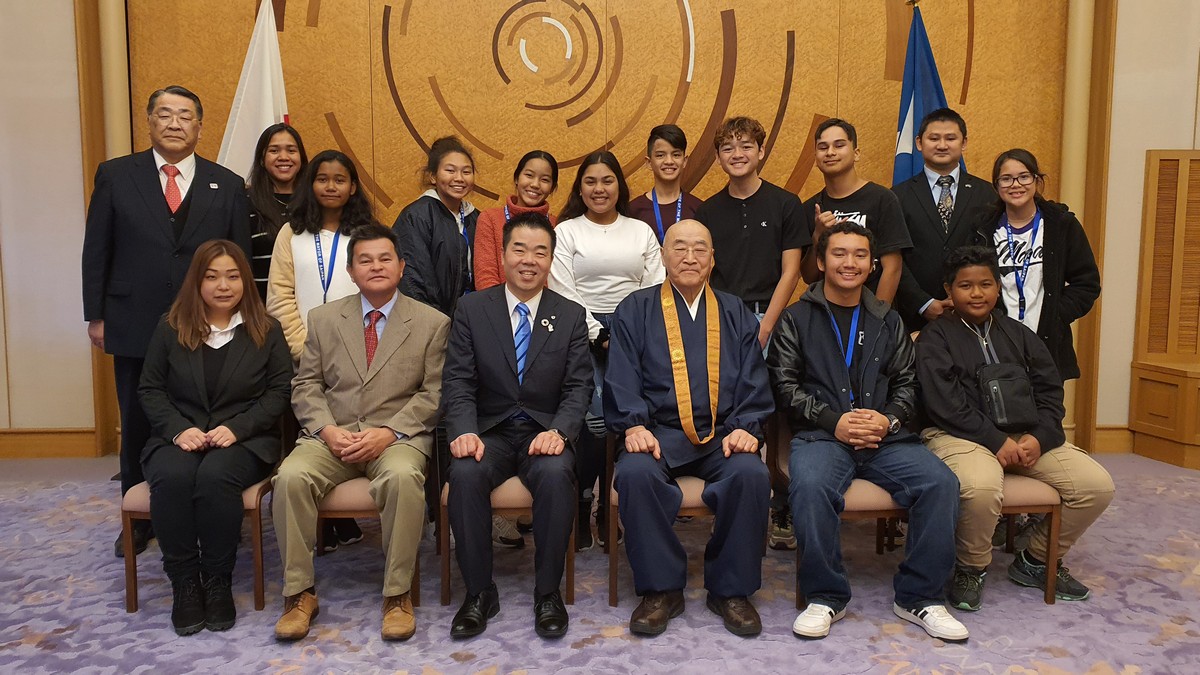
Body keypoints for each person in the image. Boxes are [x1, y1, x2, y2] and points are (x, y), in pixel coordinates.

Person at [768, 222, 967, 642]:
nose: (850, 263)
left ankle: (920, 597)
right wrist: (832, 420)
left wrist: (888, 419)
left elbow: (908, 384)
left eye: (860, 255)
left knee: (941, 483)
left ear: (872, 265)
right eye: (839, 253)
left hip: (885, 438)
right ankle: (825, 597)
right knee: (809, 486)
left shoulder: (887, 319)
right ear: (820, 262)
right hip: (822, 435)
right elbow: (785, 386)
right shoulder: (796, 319)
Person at [81, 85, 251, 558]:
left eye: (185, 117)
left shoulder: (227, 183)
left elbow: (236, 259)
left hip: (208, 322)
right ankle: (139, 518)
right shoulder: (117, 175)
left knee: (209, 412)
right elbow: (97, 249)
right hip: (134, 318)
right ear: (149, 121)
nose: (175, 124)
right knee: (137, 417)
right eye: (165, 115)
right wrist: (96, 315)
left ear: (200, 126)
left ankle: (214, 508)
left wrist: (238, 320)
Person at [271, 224, 449, 642]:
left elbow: (434, 392)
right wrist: (326, 430)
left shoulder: (431, 323)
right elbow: (307, 384)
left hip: (397, 439)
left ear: (402, 267)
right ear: (350, 271)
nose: (376, 267)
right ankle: (299, 594)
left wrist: (391, 431)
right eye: (365, 260)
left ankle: (397, 594)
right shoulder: (324, 318)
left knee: (404, 479)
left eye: (385, 258)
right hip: (332, 436)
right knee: (290, 478)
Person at [915, 246, 1115, 611]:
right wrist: (994, 440)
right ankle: (971, 567)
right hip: (956, 434)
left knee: (1095, 486)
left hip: (1026, 436)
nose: (976, 293)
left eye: (985, 284)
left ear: (997, 286)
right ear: (949, 289)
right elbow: (944, 405)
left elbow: (1050, 391)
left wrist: (1039, 437)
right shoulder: (935, 338)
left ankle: (1036, 559)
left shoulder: (1019, 333)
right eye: (965, 286)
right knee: (981, 486)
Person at [605, 220, 773, 637]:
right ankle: (661, 589)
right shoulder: (635, 309)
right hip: (659, 433)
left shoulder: (735, 312)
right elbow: (621, 375)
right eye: (679, 248)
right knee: (634, 473)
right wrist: (634, 425)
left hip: (723, 436)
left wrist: (748, 427)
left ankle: (730, 591)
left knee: (752, 474)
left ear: (713, 259)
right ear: (662, 256)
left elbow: (755, 379)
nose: (690, 257)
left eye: (701, 248)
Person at [442, 212, 593, 639]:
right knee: (466, 472)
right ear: (503, 254)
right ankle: (478, 592)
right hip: (488, 431)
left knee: (556, 471)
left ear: (551, 259)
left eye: (540, 251)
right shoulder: (472, 308)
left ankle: (547, 592)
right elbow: (458, 379)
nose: (529, 260)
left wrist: (560, 432)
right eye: (519, 249)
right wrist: (464, 430)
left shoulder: (569, 314)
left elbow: (579, 387)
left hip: (543, 432)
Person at [138, 240, 292, 636]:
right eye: (211, 277)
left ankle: (217, 579)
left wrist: (238, 427)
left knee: (214, 477)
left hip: (244, 440)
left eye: (232, 275)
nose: (223, 286)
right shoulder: (170, 326)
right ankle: (185, 582)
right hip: (179, 436)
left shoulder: (266, 330)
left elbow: (279, 392)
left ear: (244, 279)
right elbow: (150, 390)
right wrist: (178, 429)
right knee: (173, 477)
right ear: (196, 282)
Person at [693, 115, 807, 552]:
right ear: (719, 156)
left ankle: (784, 503)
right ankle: (732, 498)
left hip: (774, 321)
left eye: (745, 146)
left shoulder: (785, 203)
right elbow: (705, 273)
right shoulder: (709, 210)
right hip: (723, 322)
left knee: (782, 412)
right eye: (727, 147)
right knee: (727, 407)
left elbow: (792, 270)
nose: (737, 154)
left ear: (761, 152)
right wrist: (738, 326)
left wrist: (764, 326)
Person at [550, 151, 665, 550]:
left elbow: (655, 286)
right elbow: (562, 289)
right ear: (580, 188)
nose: (599, 189)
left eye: (607, 181)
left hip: (635, 330)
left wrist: (628, 332)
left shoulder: (641, 231)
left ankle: (611, 510)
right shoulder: (566, 231)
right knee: (594, 424)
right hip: (579, 331)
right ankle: (584, 506)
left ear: (620, 185)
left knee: (631, 420)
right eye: (591, 182)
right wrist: (599, 334)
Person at [266, 149, 375, 550]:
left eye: (340, 179)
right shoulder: (290, 233)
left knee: (353, 427)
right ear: (310, 184)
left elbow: (381, 293)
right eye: (322, 178)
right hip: (304, 353)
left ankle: (344, 516)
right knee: (315, 432)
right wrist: (303, 347)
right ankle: (316, 523)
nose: (331, 186)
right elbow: (278, 297)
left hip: (360, 354)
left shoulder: (366, 233)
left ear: (352, 187)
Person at [976, 149, 1101, 382]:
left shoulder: (1061, 224)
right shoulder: (982, 228)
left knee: (1047, 415)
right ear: (996, 186)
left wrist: (1057, 315)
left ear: (1037, 180)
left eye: (1024, 176)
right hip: (996, 343)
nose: (1016, 184)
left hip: (1047, 343)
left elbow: (1087, 283)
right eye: (1006, 179)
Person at [892, 108, 997, 332]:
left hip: (976, 315)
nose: (942, 145)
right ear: (919, 143)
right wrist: (923, 303)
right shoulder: (897, 197)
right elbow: (893, 259)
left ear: (964, 143)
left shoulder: (988, 194)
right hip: (914, 319)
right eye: (934, 138)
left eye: (950, 138)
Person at [801, 118, 911, 306]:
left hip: (872, 310)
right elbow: (809, 276)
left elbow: (892, 267)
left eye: (839, 145)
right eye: (823, 147)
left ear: (856, 153)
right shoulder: (811, 207)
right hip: (826, 313)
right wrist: (817, 236)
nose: (830, 152)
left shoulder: (882, 199)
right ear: (816, 157)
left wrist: (877, 317)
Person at [393, 136, 479, 317]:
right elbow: (412, 278)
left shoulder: (476, 217)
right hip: (429, 321)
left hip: (468, 321)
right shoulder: (417, 216)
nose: (459, 178)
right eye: (450, 170)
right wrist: (433, 322)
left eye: (466, 171)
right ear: (433, 176)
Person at [473, 150, 559, 290]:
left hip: (545, 308)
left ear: (552, 187)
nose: (535, 184)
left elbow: (556, 280)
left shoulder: (558, 225)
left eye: (545, 180)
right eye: (529, 175)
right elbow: (485, 275)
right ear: (516, 178)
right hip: (496, 307)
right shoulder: (490, 219)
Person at [247, 123, 308, 300]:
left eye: (291, 150)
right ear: (261, 158)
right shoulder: (245, 202)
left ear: (301, 158)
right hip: (261, 309)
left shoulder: (314, 203)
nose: (283, 157)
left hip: (311, 308)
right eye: (274, 150)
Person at [628, 125, 702, 243]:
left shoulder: (699, 209)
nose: (669, 161)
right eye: (660, 155)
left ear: (685, 160)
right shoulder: (632, 210)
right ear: (648, 162)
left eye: (676, 155)